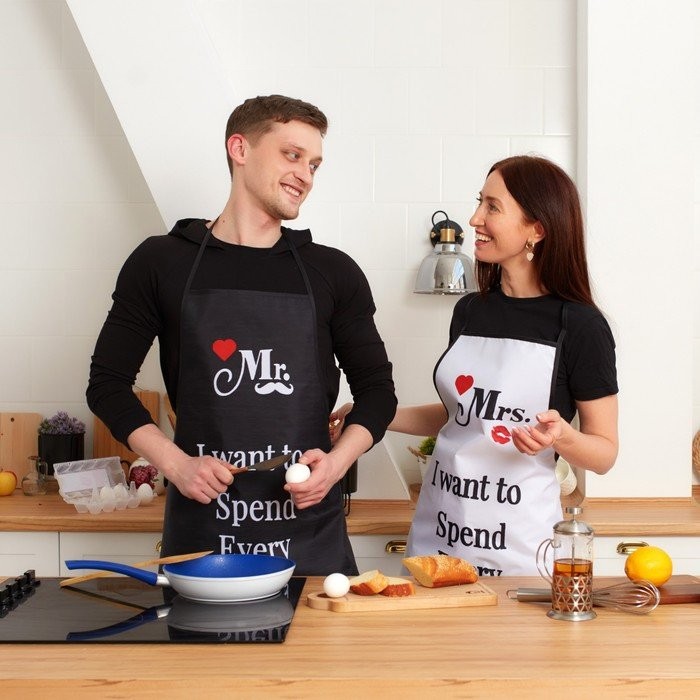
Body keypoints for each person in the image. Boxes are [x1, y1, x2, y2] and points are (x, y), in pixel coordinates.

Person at [87, 95, 396, 576]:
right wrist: (177, 465)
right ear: (240, 149)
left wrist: (335, 466)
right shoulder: (162, 262)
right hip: (204, 538)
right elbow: (106, 385)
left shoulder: (333, 272)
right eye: (292, 155)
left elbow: (378, 392)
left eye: (314, 164)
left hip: (309, 538)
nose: (305, 175)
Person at [332, 155, 618, 576]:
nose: (475, 218)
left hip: (517, 549)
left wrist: (562, 437)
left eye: (492, 207)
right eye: (479, 202)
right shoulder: (470, 310)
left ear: (537, 229)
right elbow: (463, 415)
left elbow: (605, 453)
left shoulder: (580, 325)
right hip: (440, 532)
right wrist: (371, 415)